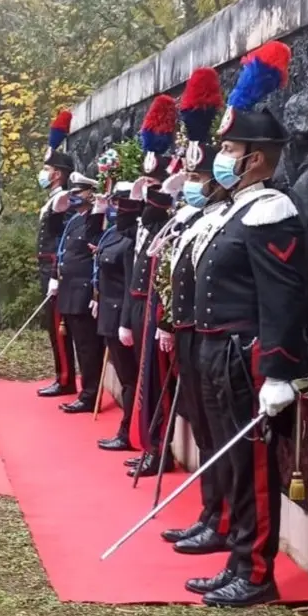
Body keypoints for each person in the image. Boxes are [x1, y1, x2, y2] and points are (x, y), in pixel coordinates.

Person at [187, 41, 308, 607]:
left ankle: (257, 571)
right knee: (235, 463)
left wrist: (279, 372)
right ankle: (239, 557)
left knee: (257, 469)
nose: (223, 156)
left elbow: (282, 299)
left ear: (257, 157)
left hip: (247, 356)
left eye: (231, 148)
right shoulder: (237, 207)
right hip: (218, 351)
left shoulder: (271, 209)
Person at [154, 67, 233, 556]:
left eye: (200, 177)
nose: (193, 183)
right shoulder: (193, 218)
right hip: (189, 330)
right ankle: (211, 512)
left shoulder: (227, 216)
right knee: (203, 427)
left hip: (215, 336)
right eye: (193, 176)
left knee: (217, 429)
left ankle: (221, 517)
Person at [121, 95, 178, 478]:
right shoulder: (145, 221)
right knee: (145, 381)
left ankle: (159, 448)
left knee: (158, 384)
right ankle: (148, 444)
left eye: (154, 188)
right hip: (141, 306)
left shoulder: (166, 220)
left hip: (158, 309)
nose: (147, 196)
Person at [53, 172, 106, 413]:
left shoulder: (96, 220)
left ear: (90, 194)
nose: (74, 197)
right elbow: (64, 249)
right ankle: (85, 390)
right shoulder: (75, 219)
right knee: (77, 344)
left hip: (83, 291)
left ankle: (90, 394)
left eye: (79, 193)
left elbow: (94, 250)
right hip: (68, 289)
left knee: (88, 348)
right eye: (72, 192)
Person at [95, 180, 140, 451]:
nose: (115, 207)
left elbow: (129, 285)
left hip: (119, 317)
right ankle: (128, 430)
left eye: (119, 202)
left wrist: (125, 322)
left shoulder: (131, 238)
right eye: (114, 202)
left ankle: (128, 432)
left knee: (129, 380)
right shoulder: (113, 233)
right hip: (107, 314)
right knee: (126, 379)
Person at [36, 110, 77, 398]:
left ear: (58, 174)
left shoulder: (62, 199)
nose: (44, 173)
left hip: (54, 268)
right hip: (45, 267)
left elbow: (63, 239)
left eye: (48, 169)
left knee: (59, 327)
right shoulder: (53, 197)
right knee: (53, 327)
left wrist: (56, 272)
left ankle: (65, 379)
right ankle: (60, 374)